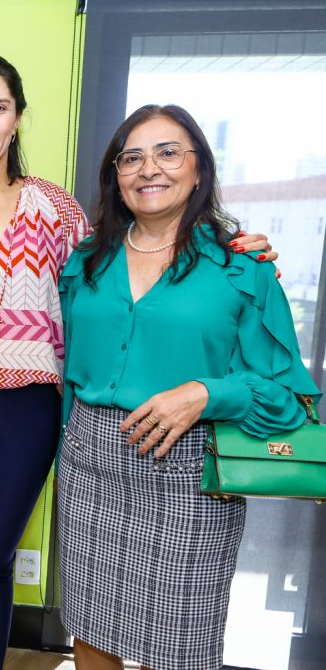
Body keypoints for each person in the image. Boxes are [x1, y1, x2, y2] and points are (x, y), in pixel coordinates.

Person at [0, 53, 279, 670]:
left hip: (32, 411)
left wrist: (230, 243)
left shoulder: (58, 209)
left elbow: (132, 258)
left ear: (16, 120)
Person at [57, 104, 319, 670]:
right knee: (90, 631)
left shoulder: (242, 269)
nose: (149, 168)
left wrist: (207, 392)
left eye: (168, 152)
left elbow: (291, 401)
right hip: (88, 466)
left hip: (189, 475)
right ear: (116, 177)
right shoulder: (84, 264)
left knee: (177, 648)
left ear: (200, 169)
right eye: (131, 157)